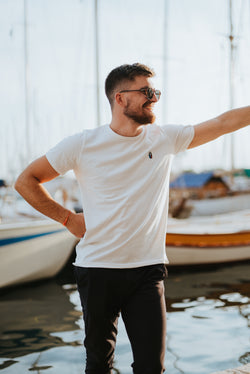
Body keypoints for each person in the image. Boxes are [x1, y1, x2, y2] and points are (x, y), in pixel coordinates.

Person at [15, 63, 250, 374]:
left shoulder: (163, 138)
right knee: (99, 364)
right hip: (97, 268)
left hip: (147, 270)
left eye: (156, 93)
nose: (154, 99)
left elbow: (222, 122)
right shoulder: (83, 144)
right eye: (147, 92)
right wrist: (67, 218)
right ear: (121, 98)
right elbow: (26, 180)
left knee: (152, 366)